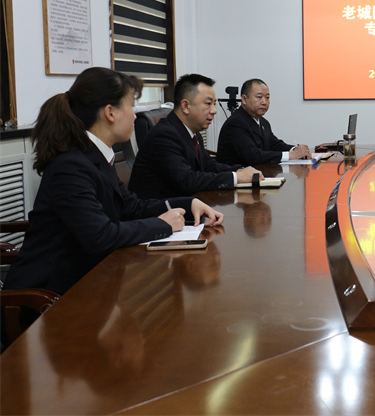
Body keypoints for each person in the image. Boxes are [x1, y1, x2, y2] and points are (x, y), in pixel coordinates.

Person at [3, 67, 223, 296]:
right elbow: (100, 236)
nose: (135, 115)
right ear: (110, 112)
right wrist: (164, 224)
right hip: (47, 297)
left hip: (89, 282)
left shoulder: (96, 158)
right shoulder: (71, 166)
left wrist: (188, 205)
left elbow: (132, 207)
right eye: (130, 106)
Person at [129, 74, 263, 199]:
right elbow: (187, 180)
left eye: (214, 104)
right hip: (158, 216)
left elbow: (208, 165)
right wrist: (235, 177)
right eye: (208, 103)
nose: (214, 110)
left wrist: (241, 170)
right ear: (185, 106)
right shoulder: (164, 135)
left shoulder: (192, 132)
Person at [216, 78, 310, 165]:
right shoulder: (236, 123)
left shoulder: (263, 122)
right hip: (238, 178)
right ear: (244, 99)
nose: (264, 102)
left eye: (267, 97)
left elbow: (275, 144)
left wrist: (295, 150)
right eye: (259, 97)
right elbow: (253, 156)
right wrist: (291, 155)